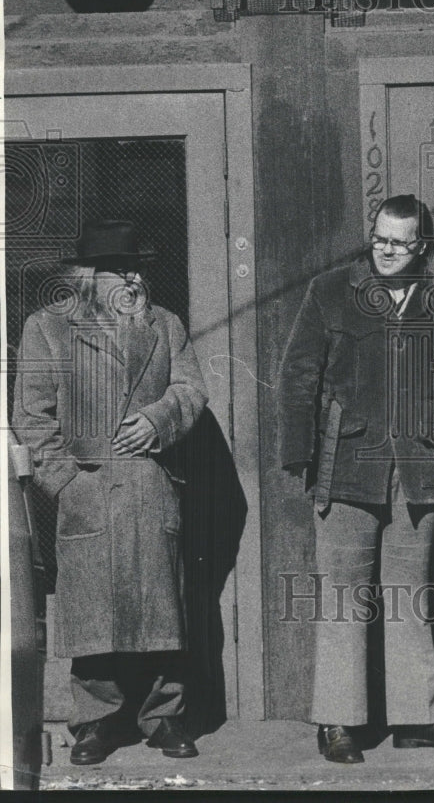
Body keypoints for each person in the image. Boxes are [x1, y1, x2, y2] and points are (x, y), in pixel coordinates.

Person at [278, 194, 434, 763]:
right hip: (346, 467)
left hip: (418, 471)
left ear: (423, 246)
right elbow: (297, 374)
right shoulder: (331, 291)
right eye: (379, 239)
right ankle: (338, 724)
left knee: (410, 597)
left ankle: (418, 718)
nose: (386, 251)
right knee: (345, 597)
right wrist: (301, 455)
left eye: (399, 242)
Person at [13, 219, 208, 765]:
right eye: (116, 268)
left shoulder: (164, 325)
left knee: (162, 615)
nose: (131, 277)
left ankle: (164, 717)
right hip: (89, 491)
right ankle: (94, 722)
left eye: (136, 267)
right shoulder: (47, 328)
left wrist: (159, 419)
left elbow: (191, 387)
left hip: (150, 487)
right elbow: (30, 416)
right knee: (91, 617)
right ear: (86, 276)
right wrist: (68, 482)